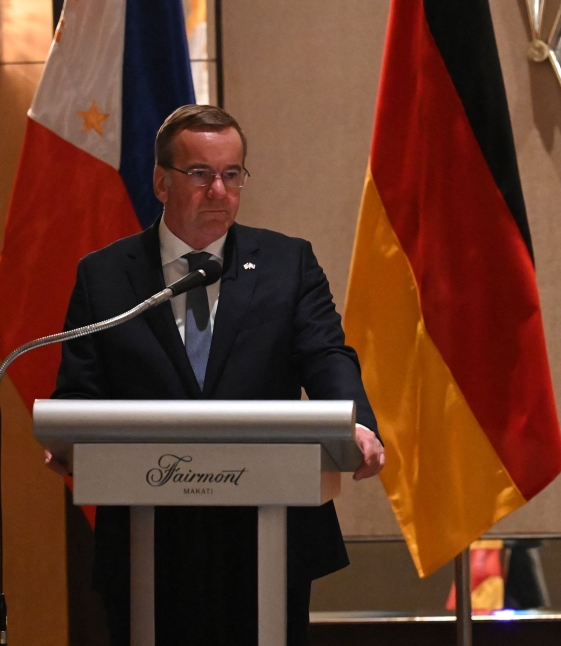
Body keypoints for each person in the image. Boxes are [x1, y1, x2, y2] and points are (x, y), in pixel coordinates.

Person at [51, 104, 385, 645]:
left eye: (232, 174)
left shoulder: (287, 262)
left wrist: (358, 424)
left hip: (266, 536)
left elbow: (326, 355)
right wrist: (67, 439)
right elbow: (79, 389)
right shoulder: (106, 276)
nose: (219, 190)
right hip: (148, 542)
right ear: (161, 181)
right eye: (200, 174)